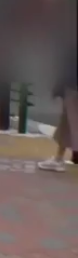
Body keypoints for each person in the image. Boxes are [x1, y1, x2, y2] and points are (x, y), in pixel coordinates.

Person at [39, 42, 78, 172]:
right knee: (66, 124)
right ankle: (58, 159)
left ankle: (59, 159)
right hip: (72, 85)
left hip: (73, 86)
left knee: (71, 122)